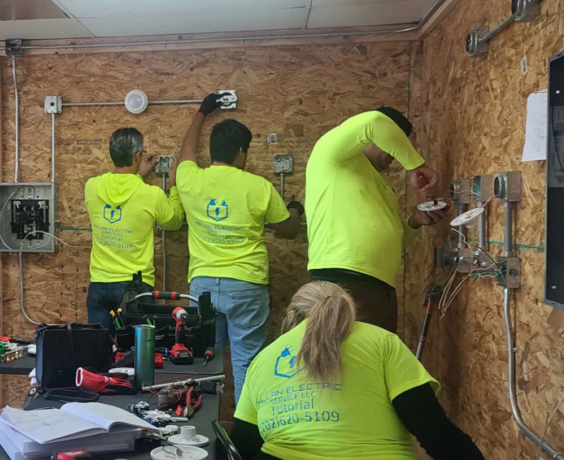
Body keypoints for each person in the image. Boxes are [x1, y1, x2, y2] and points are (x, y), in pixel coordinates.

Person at [232, 281, 484, 460]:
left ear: (294, 319)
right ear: (348, 312)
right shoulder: (382, 342)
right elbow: (434, 432)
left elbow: (241, 445)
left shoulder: (264, 358)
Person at [175, 93, 300, 402]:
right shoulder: (258, 186)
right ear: (242, 153)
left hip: (202, 286)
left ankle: (202, 433)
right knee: (247, 364)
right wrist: (296, 208)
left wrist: (202, 112)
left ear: (212, 150)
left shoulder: (190, 179)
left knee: (205, 363)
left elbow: (185, 153)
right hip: (246, 284)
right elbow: (288, 229)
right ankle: (244, 437)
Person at [304, 107, 446, 333]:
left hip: (379, 286)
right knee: (346, 363)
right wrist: (418, 166)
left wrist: (415, 221)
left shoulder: (381, 185)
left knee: (373, 363)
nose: (393, 153)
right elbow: (374, 121)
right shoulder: (332, 155)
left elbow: (395, 238)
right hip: (343, 279)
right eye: (393, 142)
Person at [84, 127, 184, 329]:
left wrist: (138, 175)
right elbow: (173, 222)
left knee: (99, 351)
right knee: (138, 353)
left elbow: (123, 186)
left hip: (99, 285)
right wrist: (174, 187)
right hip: (135, 288)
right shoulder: (151, 194)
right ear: (138, 155)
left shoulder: (92, 186)